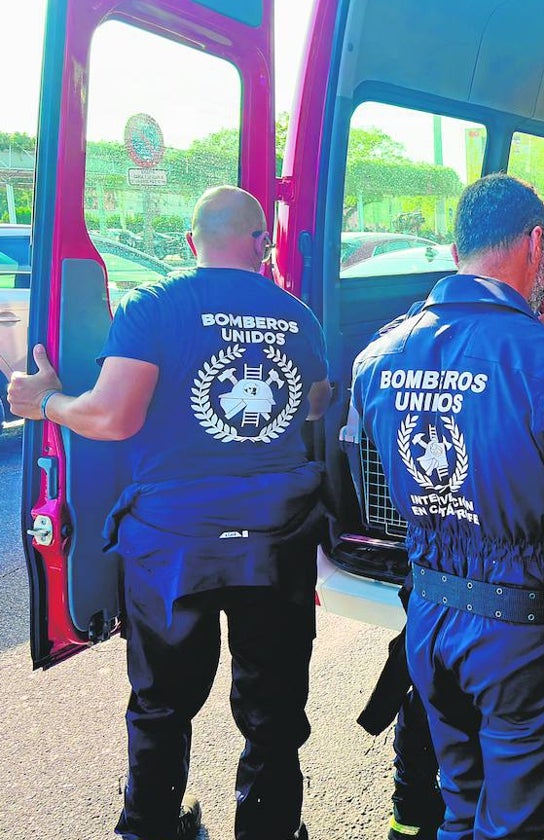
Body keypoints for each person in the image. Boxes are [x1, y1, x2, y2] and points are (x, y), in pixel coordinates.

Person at [9, 186, 332, 839]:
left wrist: (44, 402)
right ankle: (269, 827)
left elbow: (111, 416)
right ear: (261, 241)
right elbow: (316, 403)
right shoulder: (298, 317)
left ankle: (149, 827)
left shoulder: (154, 304)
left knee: (161, 706)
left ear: (191, 242)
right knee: (273, 709)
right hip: (274, 541)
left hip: (174, 545)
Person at [353, 174, 544, 840]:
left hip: (431, 624)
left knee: (461, 809)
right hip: (526, 643)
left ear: (457, 246)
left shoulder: (378, 358)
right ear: (535, 243)